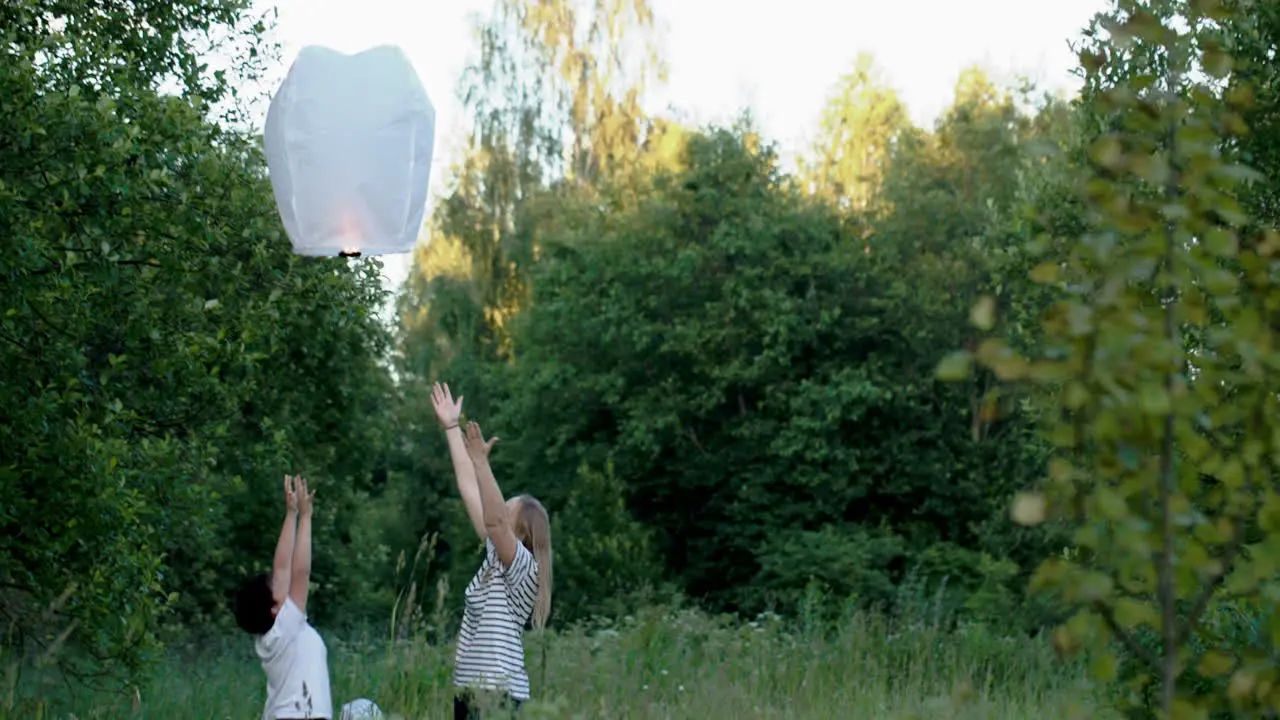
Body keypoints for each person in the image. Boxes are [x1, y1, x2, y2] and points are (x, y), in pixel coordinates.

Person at [431, 382, 554, 719]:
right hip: (471, 689)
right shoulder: (496, 559)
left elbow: (496, 520)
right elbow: (470, 489)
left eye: (506, 508)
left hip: (498, 694)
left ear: (522, 531)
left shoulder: (523, 568)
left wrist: (483, 464)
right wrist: (452, 429)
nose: (495, 510)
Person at [233, 475, 333, 720]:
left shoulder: (276, 633)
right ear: (275, 609)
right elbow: (300, 572)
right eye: (276, 584)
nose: (281, 577)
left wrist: (291, 514)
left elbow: (282, 568)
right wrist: (306, 517)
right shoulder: (285, 626)